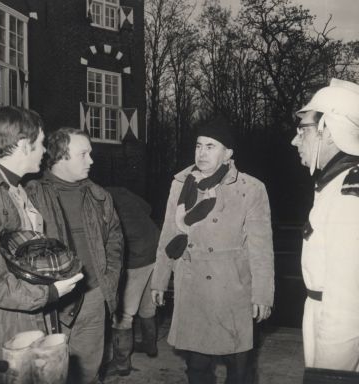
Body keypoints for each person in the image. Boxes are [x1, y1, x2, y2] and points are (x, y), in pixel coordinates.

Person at [0, 107, 83, 384]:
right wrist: (46, 294)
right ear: (24, 145)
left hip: (17, 328)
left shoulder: (12, 188)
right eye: (40, 144)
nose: (44, 152)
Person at [151, 116, 274, 384]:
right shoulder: (181, 184)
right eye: (198, 146)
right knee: (196, 369)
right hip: (193, 285)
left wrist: (263, 295)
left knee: (240, 370)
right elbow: (169, 236)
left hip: (232, 289)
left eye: (210, 146)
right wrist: (159, 279)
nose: (202, 153)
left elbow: (261, 248)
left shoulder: (250, 188)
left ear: (228, 153)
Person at [26, 127, 123, 384]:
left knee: (88, 373)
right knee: (49, 375)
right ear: (61, 156)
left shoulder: (99, 196)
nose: (91, 161)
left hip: (93, 297)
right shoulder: (31, 194)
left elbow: (115, 241)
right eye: (84, 154)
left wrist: (108, 281)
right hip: (52, 303)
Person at [292, 78, 359, 371]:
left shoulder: (348, 195)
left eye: (302, 129)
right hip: (319, 314)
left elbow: (347, 305)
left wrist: (330, 374)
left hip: (335, 327)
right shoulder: (332, 186)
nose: (295, 140)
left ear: (328, 131)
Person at [104, 187, 160, 377]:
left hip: (135, 256)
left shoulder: (96, 197)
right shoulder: (119, 190)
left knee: (122, 315)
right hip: (155, 247)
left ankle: (121, 365)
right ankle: (150, 346)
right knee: (148, 306)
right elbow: (148, 208)